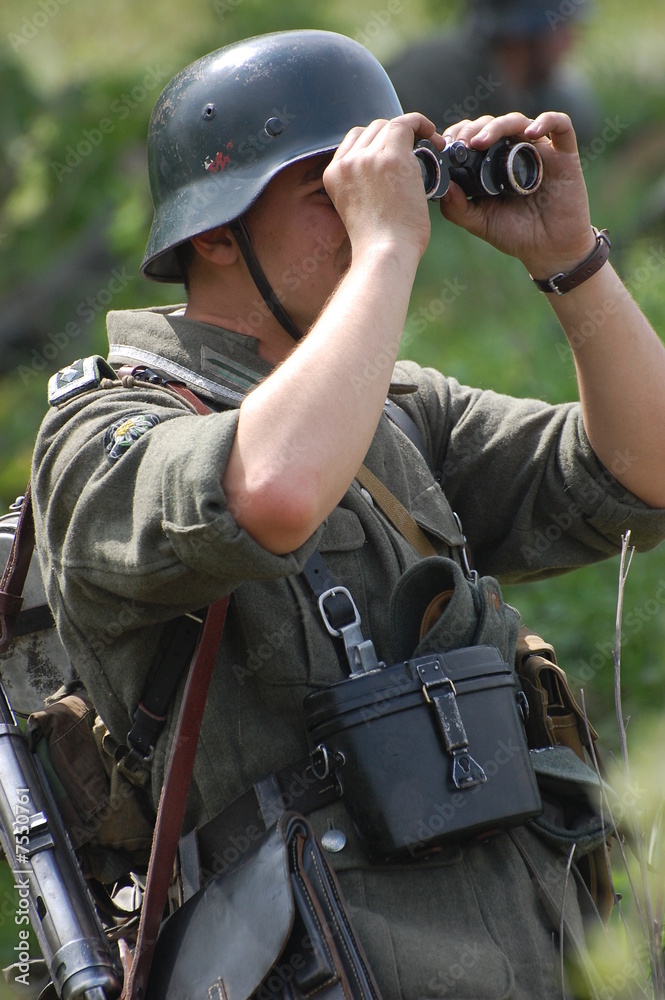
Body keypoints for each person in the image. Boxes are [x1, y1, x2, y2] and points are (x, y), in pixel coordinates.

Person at [31, 28, 665, 1000]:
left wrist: (569, 259)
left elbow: (644, 468)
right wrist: (384, 247)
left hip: (524, 956)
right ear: (211, 230)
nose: (373, 206)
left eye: (384, 179)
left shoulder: (394, 415)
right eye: (326, 186)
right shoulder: (102, 428)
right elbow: (268, 493)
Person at [386, 0, 600, 143]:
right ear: (523, 33)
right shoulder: (431, 80)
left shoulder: (542, 90)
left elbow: (581, 124)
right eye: (562, 26)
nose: (570, 40)